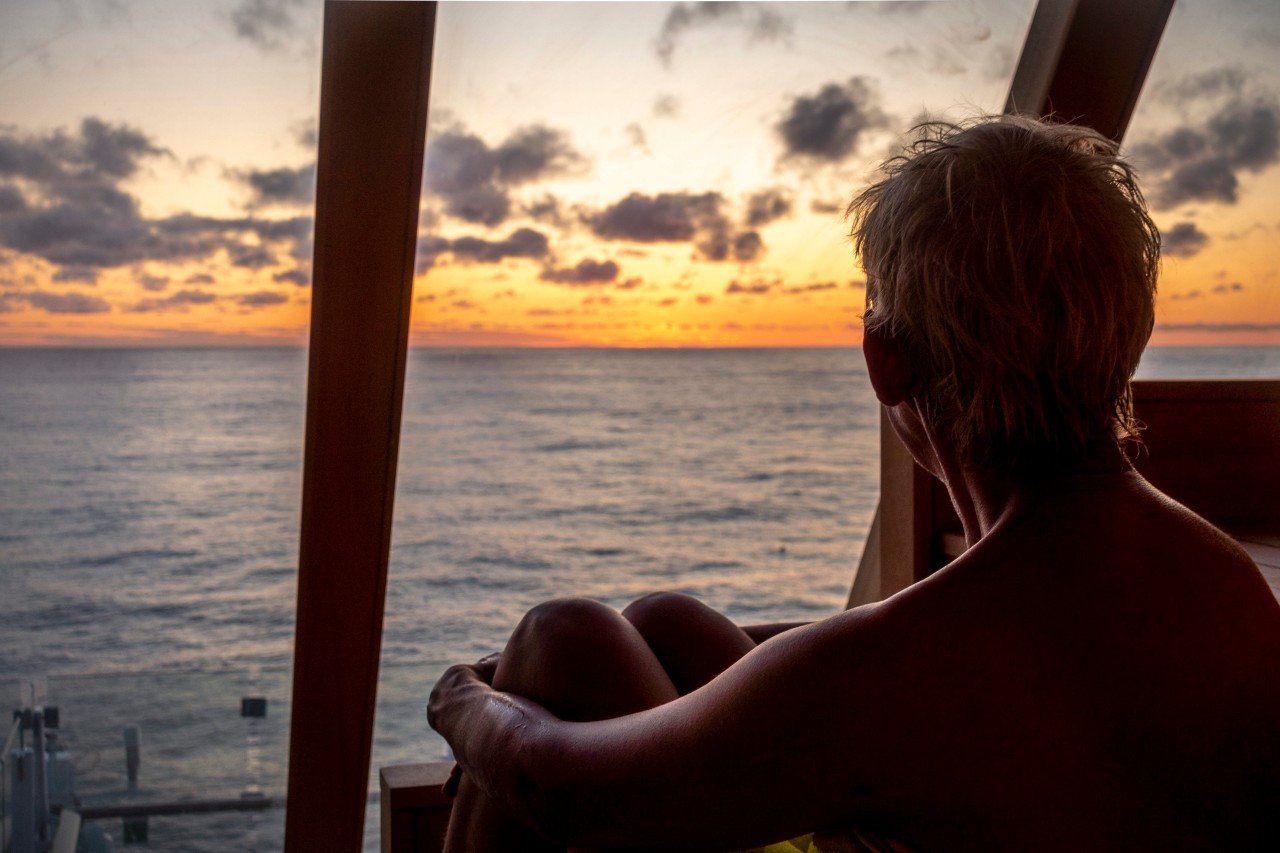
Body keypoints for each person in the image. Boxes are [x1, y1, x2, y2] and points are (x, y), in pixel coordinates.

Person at [428, 115, 1280, 852]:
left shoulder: (901, 673)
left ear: (887, 361)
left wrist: (462, 699)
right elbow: (1021, 662)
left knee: (559, 638)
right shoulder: (1226, 583)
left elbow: (554, 786)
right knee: (668, 625)